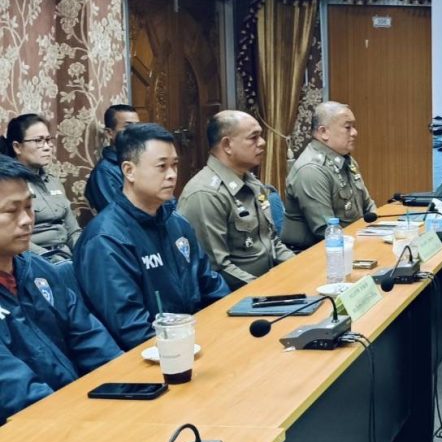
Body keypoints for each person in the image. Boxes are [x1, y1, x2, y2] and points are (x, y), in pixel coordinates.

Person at [73, 123, 229, 350]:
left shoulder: (176, 223)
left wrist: (224, 330)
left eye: (174, 165)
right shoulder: (105, 239)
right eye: (161, 166)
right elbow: (132, 329)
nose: (172, 175)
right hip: (152, 355)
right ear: (129, 171)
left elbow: (212, 287)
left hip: (195, 339)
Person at [0, 156, 120, 422]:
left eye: (29, 207)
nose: (26, 220)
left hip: (77, 409)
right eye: (11, 211)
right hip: (28, 429)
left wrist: (125, 383)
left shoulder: (39, 270)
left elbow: (92, 340)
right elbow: (18, 393)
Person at [178, 111, 294, 289]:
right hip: (236, 294)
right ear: (227, 145)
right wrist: (267, 290)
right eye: (253, 137)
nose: (262, 142)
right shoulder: (206, 194)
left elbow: (272, 242)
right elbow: (218, 268)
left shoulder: (251, 182)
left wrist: (300, 267)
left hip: (268, 282)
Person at [282, 101, 375, 249]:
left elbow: (369, 206)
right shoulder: (312, 170)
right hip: (313, 253)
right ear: (324, 132)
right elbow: (326, 230)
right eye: (348, 127)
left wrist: (379, 232)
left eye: (354, 127)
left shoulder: (346, 160)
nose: (354, 132)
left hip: (351, 242)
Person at [2, 115, 80, 262]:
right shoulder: (10, 186)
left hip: (66, 258)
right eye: (38, 141)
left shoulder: (53, 181)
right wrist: (53, 261)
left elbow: (73, 231)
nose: (47, 147)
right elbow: (11, 237)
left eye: (48, 140)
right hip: (33, 260)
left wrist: (86, 254)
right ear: (17, 147)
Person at [84, 104, 139, 213]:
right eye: (128, 127)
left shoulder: (140, 162)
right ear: (110, 133)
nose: (135, 133)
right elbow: (117, 214)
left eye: (137, 127)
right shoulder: (104, 172)